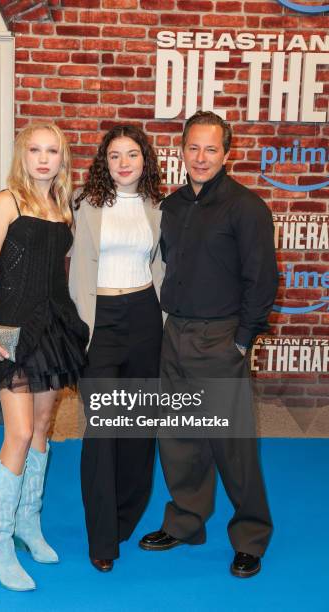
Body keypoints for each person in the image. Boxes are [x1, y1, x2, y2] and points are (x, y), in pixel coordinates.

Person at [139, 111, 278, 578]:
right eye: (193, 148)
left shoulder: (247, 208)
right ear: (182, 150)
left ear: (227, 154)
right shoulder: (173, 206)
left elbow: (261, 281)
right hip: (174, 333)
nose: (200, 158)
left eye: (211, 149)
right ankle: (185, 522)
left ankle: (251, 537)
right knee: (178, 439)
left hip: (221, 338)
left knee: (231, 444)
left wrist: (242, 341)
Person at [0, 123, 88, 591]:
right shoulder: (6, 202)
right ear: (23, 155)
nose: (43, 158)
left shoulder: (63, 207)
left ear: (62, 157)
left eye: (52, 150)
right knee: (17, 432)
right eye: (34, 150)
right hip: (9, 332)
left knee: (40, 429)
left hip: (53, 329)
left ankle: (26, 524)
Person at [69, 125, 164, 572]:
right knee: (103, 427)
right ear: (103, 163)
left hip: (146, 317)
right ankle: (102, 535)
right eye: (114, 156)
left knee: (139, 427)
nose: (124, 163)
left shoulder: (158, 208)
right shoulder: (83, 206)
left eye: (132, 154)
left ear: (145, 159)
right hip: (100, 322)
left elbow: (161, 266)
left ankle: (126, 517)